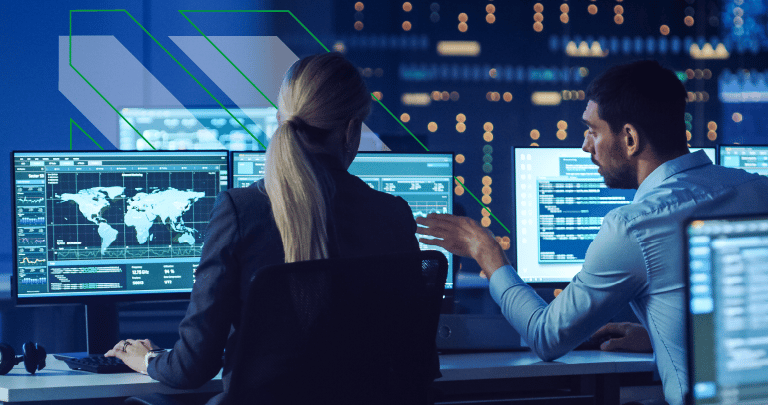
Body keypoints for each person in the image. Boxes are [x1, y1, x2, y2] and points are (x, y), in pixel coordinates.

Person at [416, 60, 768, 405]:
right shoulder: (757, 188)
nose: (586, 146)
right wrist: (663, 336)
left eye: (593, 131)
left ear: (629, 138)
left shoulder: (634, 225)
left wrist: (486, 252)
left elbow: (545, 336)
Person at [105, 52, 422, 403]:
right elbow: (413, 359)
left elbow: (192, 368)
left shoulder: (241, 210)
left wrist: (147, 359)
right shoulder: (393, 214)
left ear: (281, 119)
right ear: (351, 130)